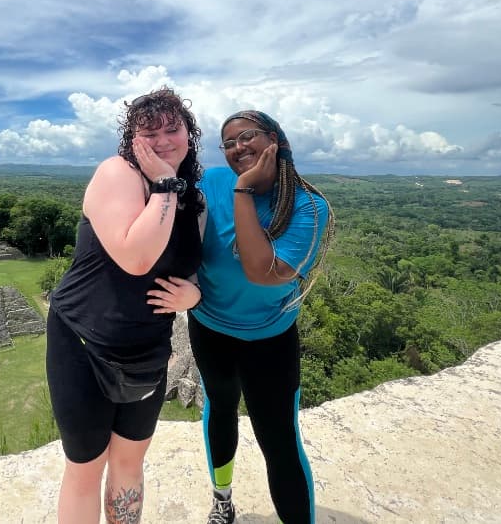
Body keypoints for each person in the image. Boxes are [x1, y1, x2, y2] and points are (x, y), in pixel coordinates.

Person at [46, 87, 204, 524]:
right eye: (149, 131)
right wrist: (166, 184)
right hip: (84, 342)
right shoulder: (117, 174)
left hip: (146, 349)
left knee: (130, 462)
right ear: (131, 139)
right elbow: (137, 259)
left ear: (189, 136)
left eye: (173, 129)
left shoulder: (190, 197)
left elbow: (190, 266)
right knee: (86, 467)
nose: (163, 140)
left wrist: (193, 295)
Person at [189, 110, 334, 524]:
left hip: (270, 340)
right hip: (210, 329)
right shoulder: (211, 181)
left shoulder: (308, 206)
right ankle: (222, 498)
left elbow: (263, 271)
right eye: (229, 142)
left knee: (280, 441)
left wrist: (244, 191)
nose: (238, 148)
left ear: (274, 139)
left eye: (247, 136)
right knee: (219, 410)